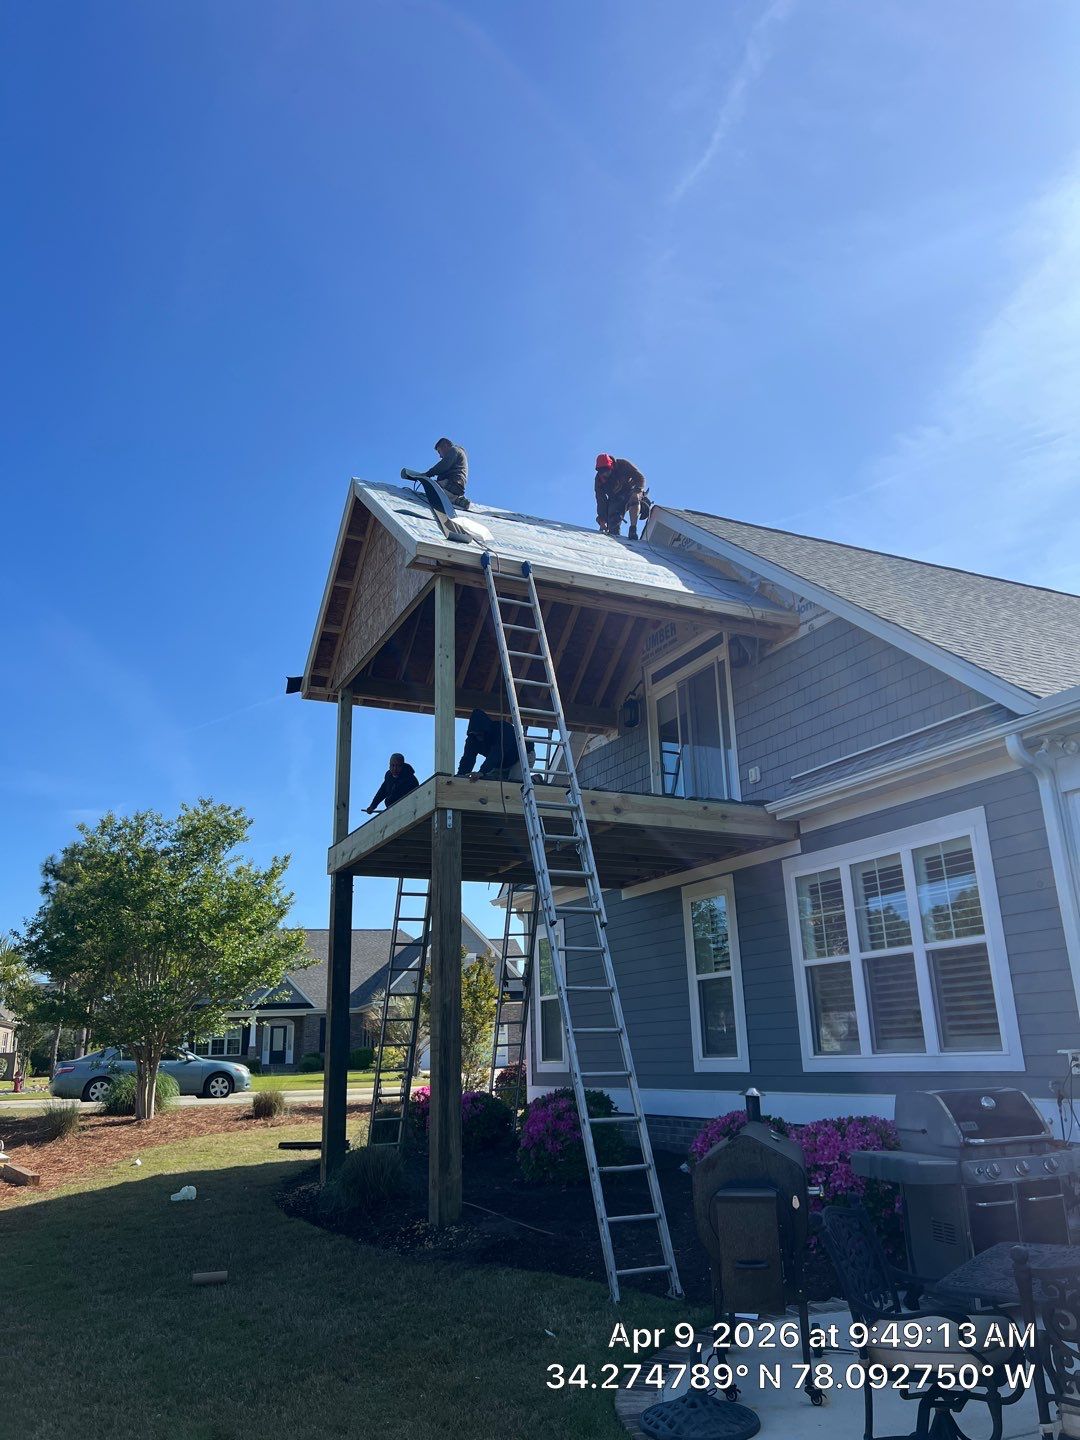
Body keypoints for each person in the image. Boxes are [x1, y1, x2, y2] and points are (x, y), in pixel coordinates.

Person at [456, 708, 523, 782]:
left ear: (486, 730)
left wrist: (482, 772)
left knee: (515, 785)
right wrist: (461, 775)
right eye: (476, 735)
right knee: (491, 784)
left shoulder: (503, 730)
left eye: (481, 734)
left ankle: (535, 779)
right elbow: (468, 758)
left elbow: (497, 753)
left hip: (520, 756)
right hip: (500, 764)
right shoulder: (472, 739)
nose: (479, 737)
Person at [594, 453, 650, 540]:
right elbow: (601, 500)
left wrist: (637, 491)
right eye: (602, 472)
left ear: (611, 465)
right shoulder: (599, 480)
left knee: (634, 499)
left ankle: (633, 529)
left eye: (606, 470)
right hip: (616, 500)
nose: (605, 474)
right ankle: (615, 538)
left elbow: (640, 478)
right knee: (612, 524)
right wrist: (602, 520)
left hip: (630, 491)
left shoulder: (623, 465)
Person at [405, 437, 469, 509]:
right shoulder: (459, 453)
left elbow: (443, 465)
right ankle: (456, 499)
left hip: (451, 484)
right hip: (456, 486)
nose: (440, 456)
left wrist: (427, 474)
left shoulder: (454, 450)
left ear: (445, 445)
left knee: (431, 489)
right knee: (435, 491)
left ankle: (455, 499)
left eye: (439, 451)